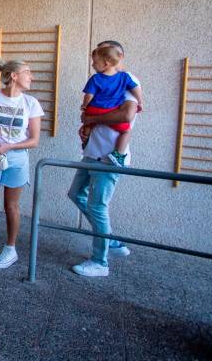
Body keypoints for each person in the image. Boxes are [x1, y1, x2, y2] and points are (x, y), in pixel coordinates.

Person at [68, 40, 137, 277]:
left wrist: (93, 119)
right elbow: (87, 110)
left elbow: (127, 114)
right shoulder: (100, 82)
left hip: (110, 158)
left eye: (98, 57)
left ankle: (100, 262)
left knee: (98, 206)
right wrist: (87, 124)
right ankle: (112, 241)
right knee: (76, 194)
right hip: (92, 153)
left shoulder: (125, 81)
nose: (94, 62)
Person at [0, 59, 43, 271]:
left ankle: (10, 249)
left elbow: (34, 140)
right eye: (28, 72)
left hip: (16, 158)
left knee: (11, 206)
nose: (31, 77)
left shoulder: (31, 103)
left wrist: (9, 147)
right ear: (13, 76)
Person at [81, 46, 144, 166]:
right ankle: (117, 153)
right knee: (126, 132)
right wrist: (141, 101)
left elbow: (127, 115)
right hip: (92, 154)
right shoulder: (123, 78)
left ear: (106, 63)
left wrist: (85, 108)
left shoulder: (97, 78)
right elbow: (135, 89)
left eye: (95, 62)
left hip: (104, 159)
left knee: (88, 125)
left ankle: (116, 155)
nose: (93, 65)